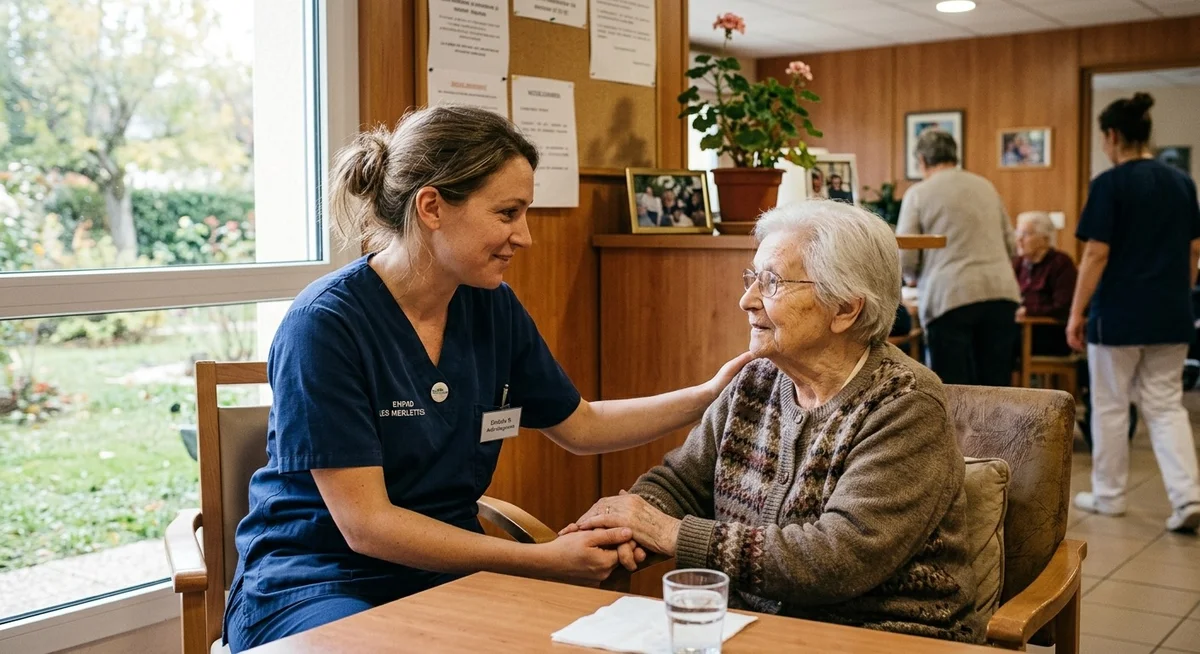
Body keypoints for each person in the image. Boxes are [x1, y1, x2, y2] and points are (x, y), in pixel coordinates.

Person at [222, 106, 752, 652]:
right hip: (318, 579)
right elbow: (368, 526)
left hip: (445, 576)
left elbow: (582, 425)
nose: (525, 237)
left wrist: (711, 395)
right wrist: (539, 561)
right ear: (432, 207)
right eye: (507, 213)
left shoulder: (491, 306)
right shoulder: (325, 326)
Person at [563, 200, 985, 643]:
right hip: (752, 628)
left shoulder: (904, 403)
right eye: (752, 278)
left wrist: (669, 532)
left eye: (772, 283)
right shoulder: (757, 378)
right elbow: (682, 482)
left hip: (886, 635)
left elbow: (836, 559)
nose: (746, 300)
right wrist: (622, 526)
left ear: (845, 309)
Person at [1067, 92, 1200, 532]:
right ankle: (1188, 497)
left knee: (1109, 405)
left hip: (1118, 314)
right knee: (1166, 406)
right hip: (1171, 312)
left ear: (1112, 136)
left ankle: (1109, 495)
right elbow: (1194, 251)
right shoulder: (1182, 183)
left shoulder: (1110, 184)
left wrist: (1076, 312)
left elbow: (1095, 254)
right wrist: (1182, 293)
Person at [897, 129, 1021, 386]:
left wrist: (911, 278)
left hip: (951, 297)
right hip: (1001, 292)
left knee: (956, 390)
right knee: (996, 388)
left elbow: (906, 256)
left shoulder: (919, 193)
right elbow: (1011, 244)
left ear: (921, 160)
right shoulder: (986, 186)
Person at [1013, 211, 1076, 356]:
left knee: (998, 344)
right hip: (1020, 329)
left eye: (1026, 234)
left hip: (1048, 333)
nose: (1019, 239)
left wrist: (1029, 312)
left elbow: (1062, 306)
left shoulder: (1061, 263)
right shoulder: (1018, 263)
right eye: (1017, 233)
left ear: (1045, 238)